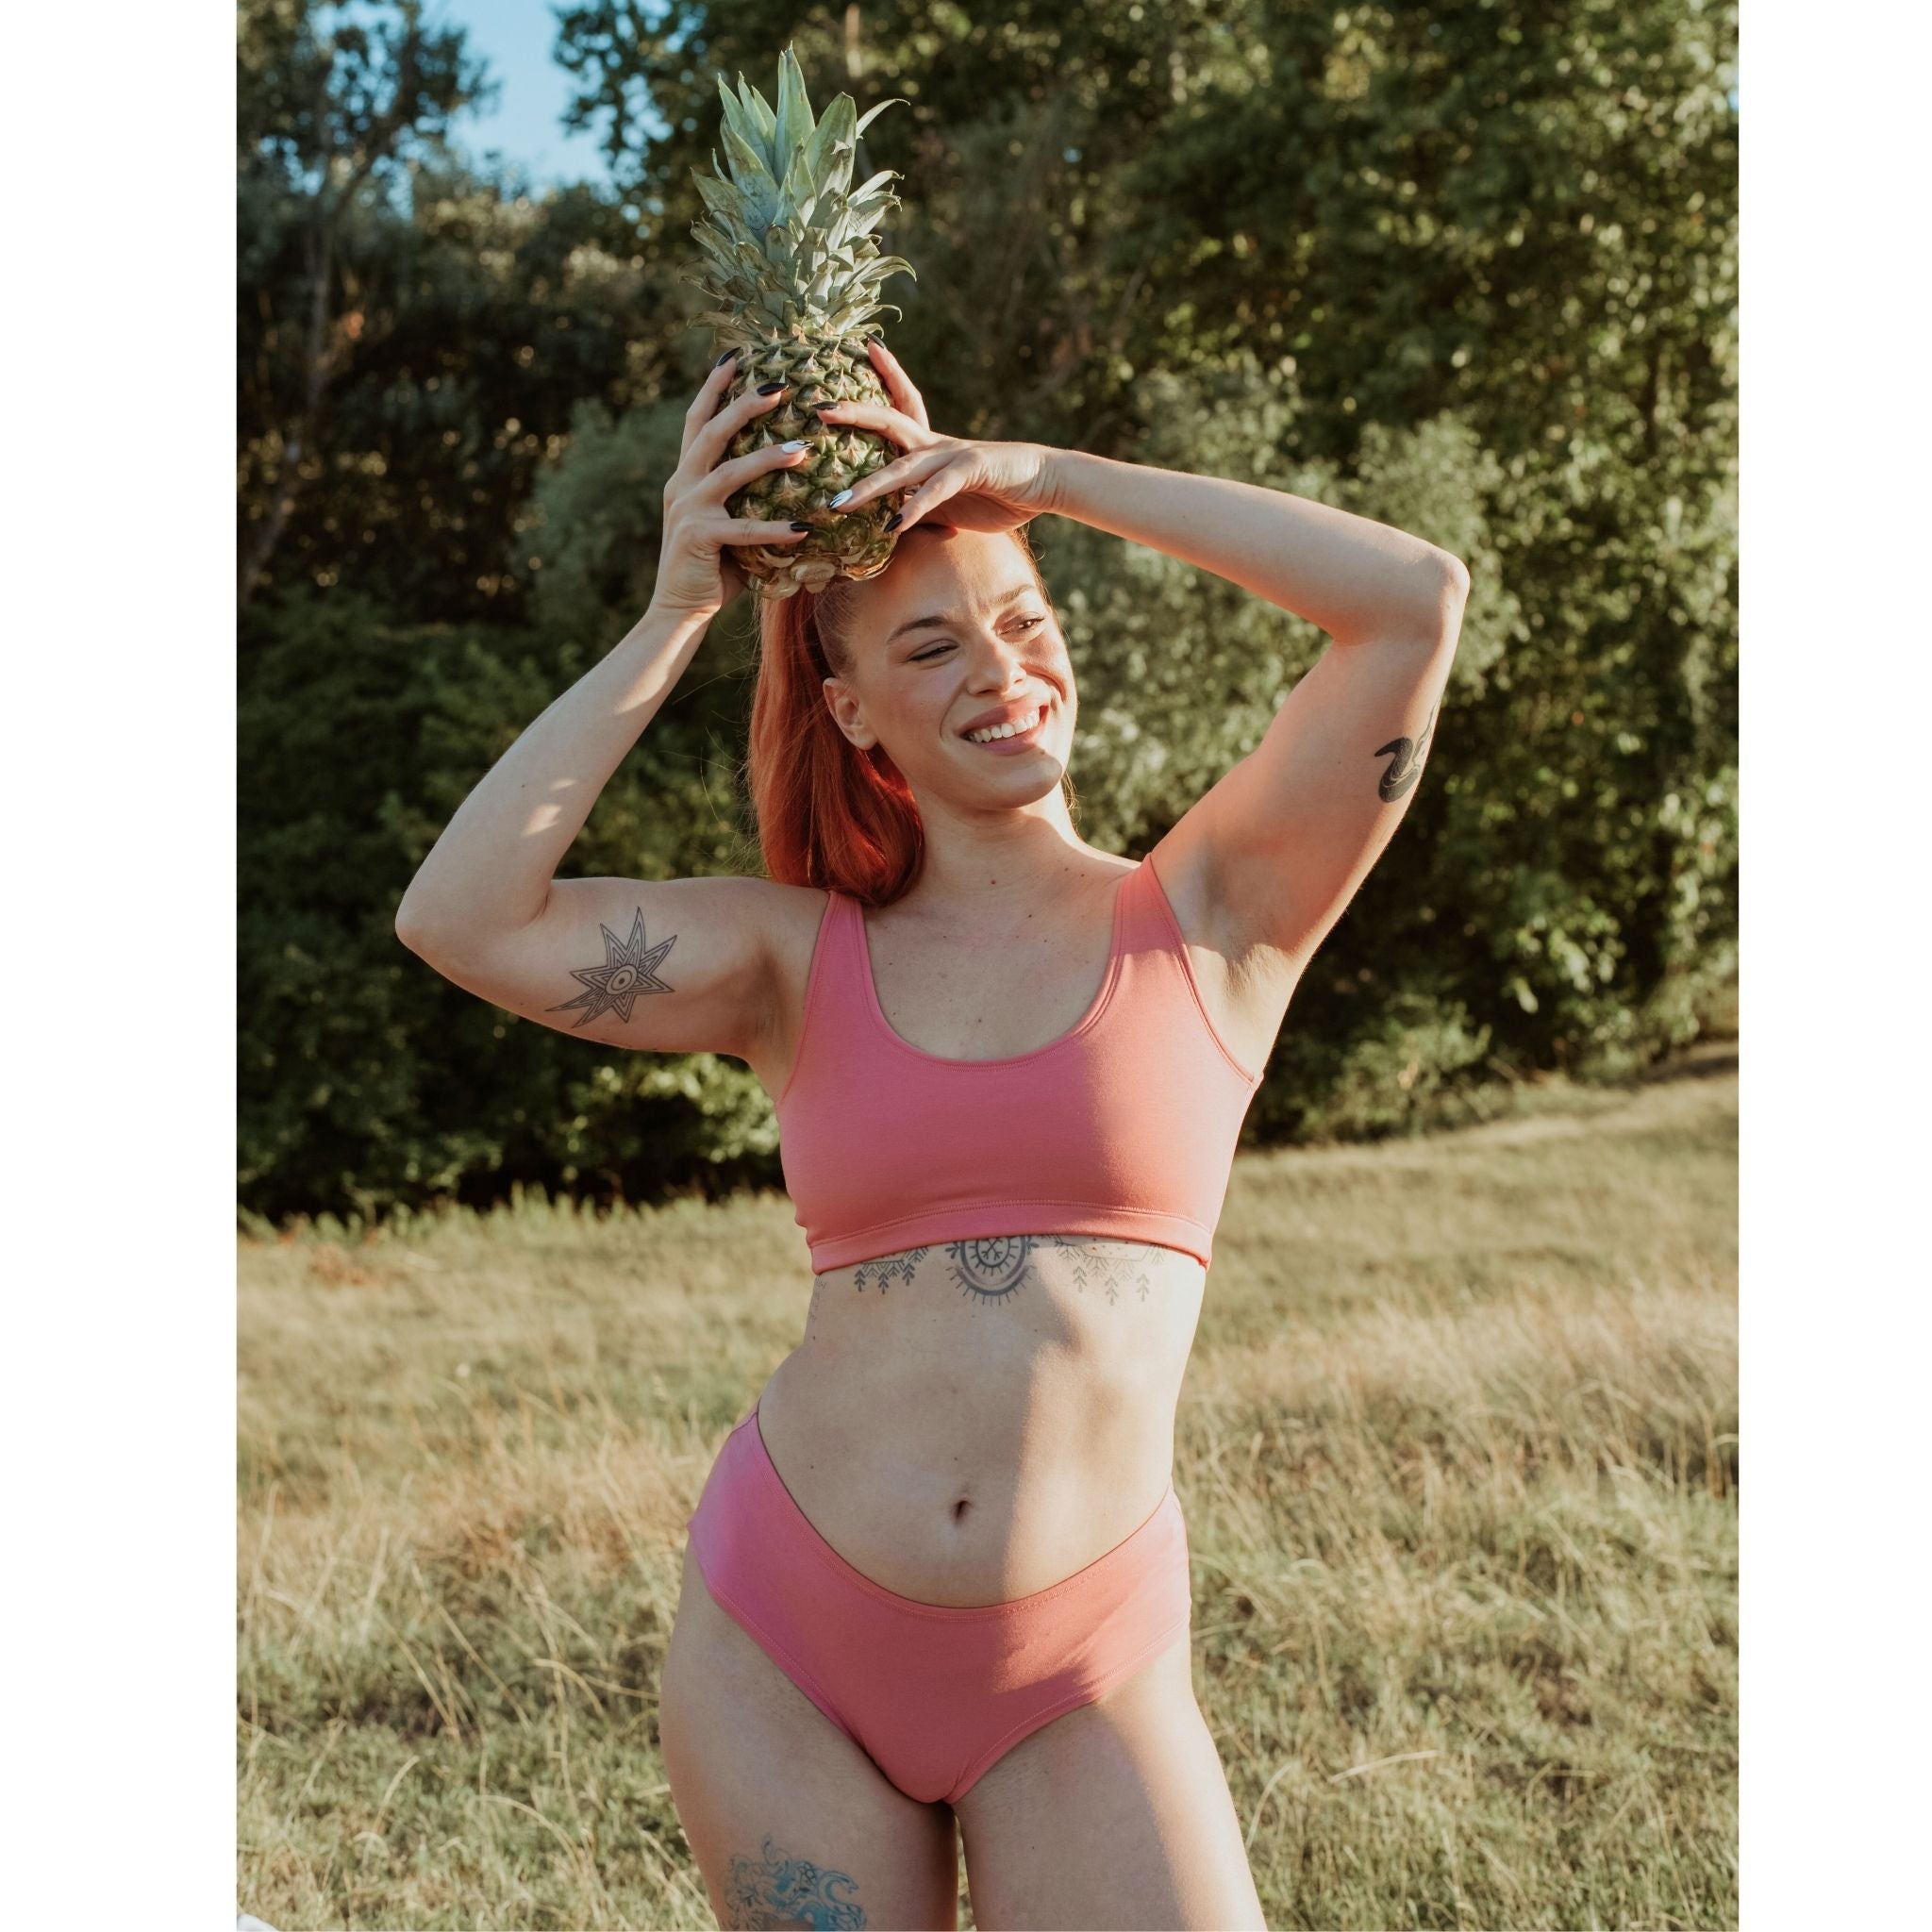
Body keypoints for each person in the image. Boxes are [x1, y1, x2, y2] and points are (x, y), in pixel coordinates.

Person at [395, 338, 1470, 1930]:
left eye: (1023, 623)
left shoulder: (1214, 918)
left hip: (1079, 1655)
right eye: (934, 646)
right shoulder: (790, 960)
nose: (1002, 669)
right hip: (790, 1646)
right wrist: (678, 606)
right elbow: (463, 917)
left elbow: (1412, 599)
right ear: (852, 707)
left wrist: (1039, 478)